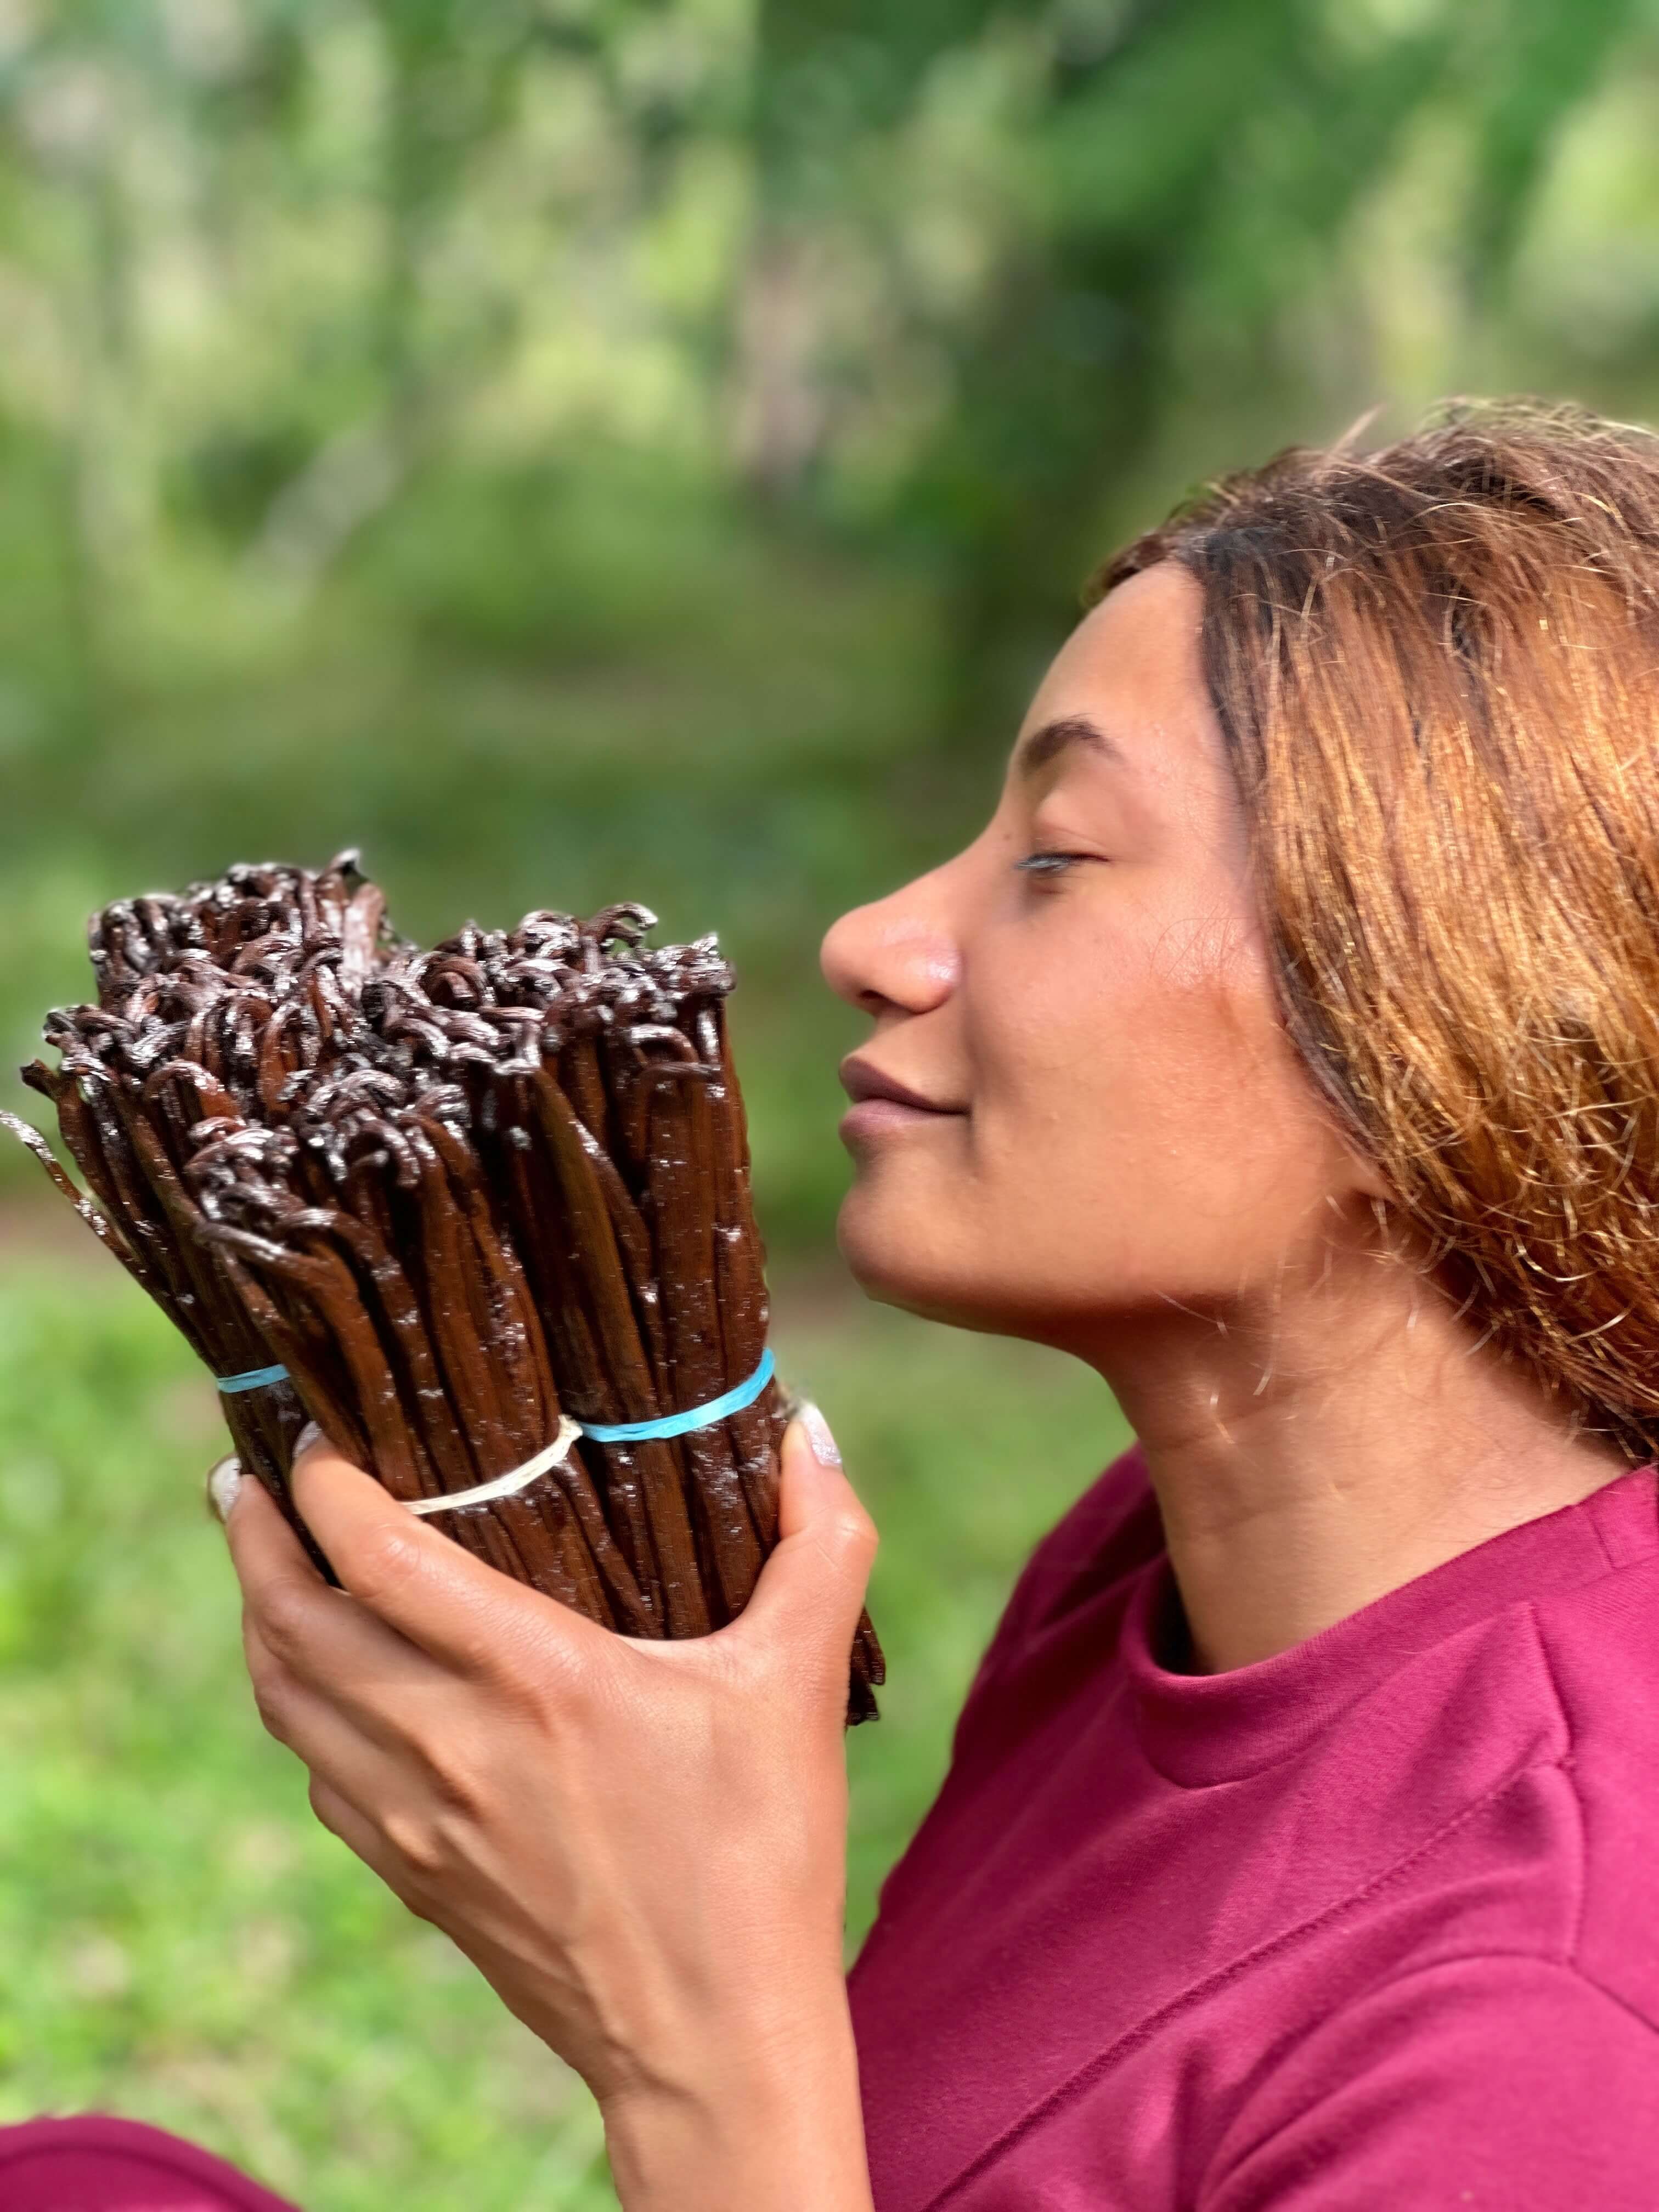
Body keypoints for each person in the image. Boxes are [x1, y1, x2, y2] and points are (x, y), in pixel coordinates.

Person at [25, 397, 1659, 2207]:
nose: (875, 937)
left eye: (1058, 857)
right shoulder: (1165, 1560)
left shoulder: (1545, 2045)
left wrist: (699, 2048)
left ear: (1448, 1029)